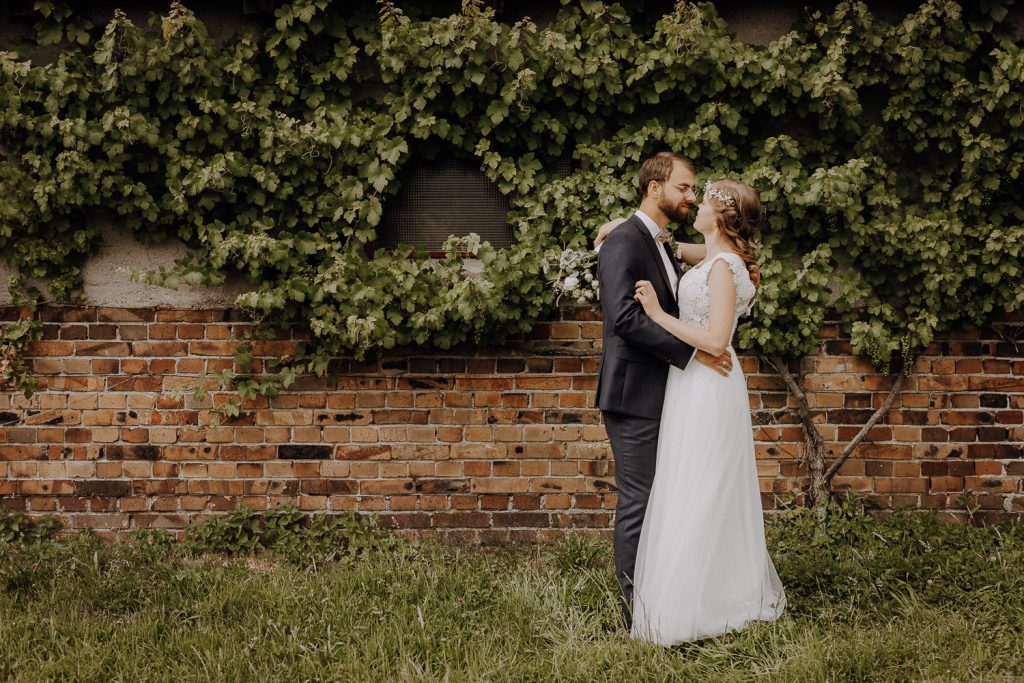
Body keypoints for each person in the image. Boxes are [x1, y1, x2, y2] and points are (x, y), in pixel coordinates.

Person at [627, 177, 786, 645]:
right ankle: (696, 591)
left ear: (718, 217)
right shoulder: (715, 256)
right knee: (689, 478)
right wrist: (625, 225)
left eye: (704, 200)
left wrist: (658, 315)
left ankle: (701, 602)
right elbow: (672, 247)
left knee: (703, 483)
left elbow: (716, 340)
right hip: (692, 380)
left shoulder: (723, 267)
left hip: (708, 382)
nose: (694, 204)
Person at [594, 151, 733, 631]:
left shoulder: (658, 242)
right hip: (633, 393)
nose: (690, 196)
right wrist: (694, 354)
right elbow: (624, 318)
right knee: (639, 500)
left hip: (664, 392)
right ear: (655, 188)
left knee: (663, 498)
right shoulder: (623, 242)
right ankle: (636, 613)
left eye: (693, 190)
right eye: (684, 188)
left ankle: (666, 601)